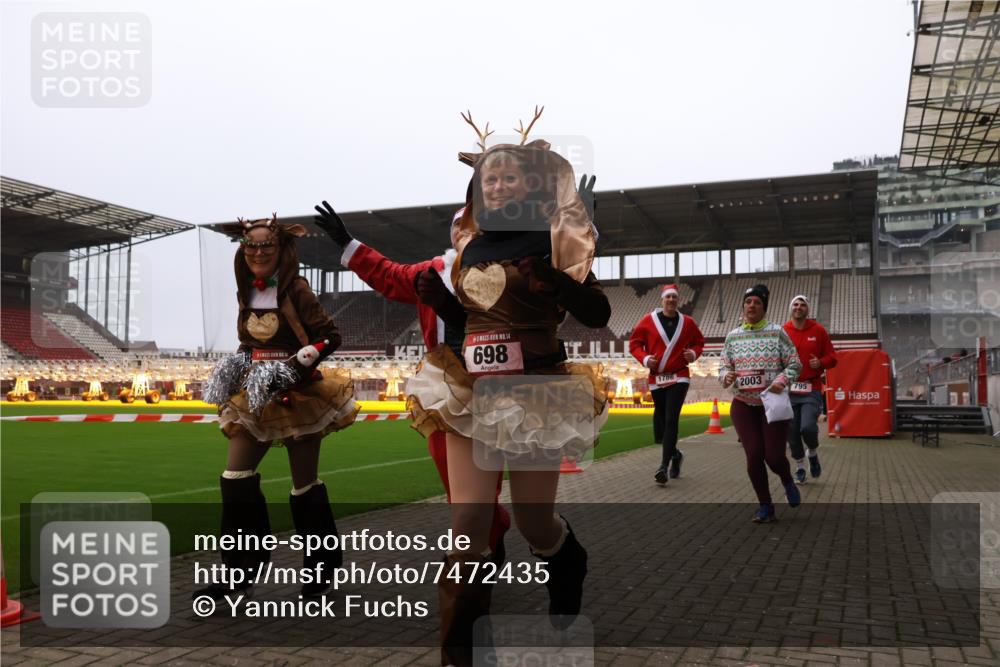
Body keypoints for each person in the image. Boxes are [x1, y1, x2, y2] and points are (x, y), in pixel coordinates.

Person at [406, 108, 609, 665]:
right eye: (488, 177)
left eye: (508, 176)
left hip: (536, 393)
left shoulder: (555, 237)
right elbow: (469, 320)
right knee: (468, 524)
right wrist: (438, 299)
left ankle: (565, 559)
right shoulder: (470, 245)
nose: (497, 184)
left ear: (531, 184)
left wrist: (561, 283)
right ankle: (459, 652)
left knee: (531, 521)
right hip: (472, 391)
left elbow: (597, 313)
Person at [311, 200, 512, 559]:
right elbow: (387, 275)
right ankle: (487, 532)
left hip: (492, 386)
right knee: (455, 480)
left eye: (474, 226)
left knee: (485, 480)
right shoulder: (433, 272)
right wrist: (347, 242)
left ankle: (481, 547)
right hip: (444, 390)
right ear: (451, 233)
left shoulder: (506, 273)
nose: (465, 231)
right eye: (458, 225)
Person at [198, 214, 359, 600]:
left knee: (304, 485)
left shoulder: (297, 289)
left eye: (265, 246)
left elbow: (329, 338)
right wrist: (238, 366)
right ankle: (241, 568)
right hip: (255, 393)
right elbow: (250, 343)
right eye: (250, 246)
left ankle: (321, 567)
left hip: (298, 395)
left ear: (281, 248)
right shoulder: (246, 291)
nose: (257, 253)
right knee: (235, 477)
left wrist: (291, 368)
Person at [719, 284, 802, 523]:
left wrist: (781, 380)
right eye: (748, 302)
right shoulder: (733, 336)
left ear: (764, 306)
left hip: (771, 403)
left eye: (756, 302)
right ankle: (765, 505)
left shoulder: (777, 333)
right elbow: (723, 365)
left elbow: (795, 364)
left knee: (774, 457)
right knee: (754, 454)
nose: (751, 306)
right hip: (743, 405)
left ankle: (787, 480)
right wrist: (727, 376)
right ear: (743, 306)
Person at [628, 284, 705, 485]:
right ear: (662, 300)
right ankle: (676, 455)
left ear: (677, 300)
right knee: (662, 423)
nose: (671, 300)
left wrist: (693, 354)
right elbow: (634, 344)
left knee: (671, 419)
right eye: (668, 297)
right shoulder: (648, 321)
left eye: (674, 297)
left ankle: (663, 466)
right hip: (656, 378)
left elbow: (699, 342)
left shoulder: (687, 323)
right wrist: (645, 359)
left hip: (679, 376)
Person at [783, 295, 837, 483]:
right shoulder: (783, 331)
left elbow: (833, 358)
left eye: (802, 305)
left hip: (811, 388)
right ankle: (799, 467)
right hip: (788, 390)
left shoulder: (819, 331)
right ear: (791, 308)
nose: (798, 307)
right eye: (795, 304)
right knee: (792, 432)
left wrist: (820, 362)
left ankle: (812, 453)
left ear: (808, 310)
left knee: (807, 427)